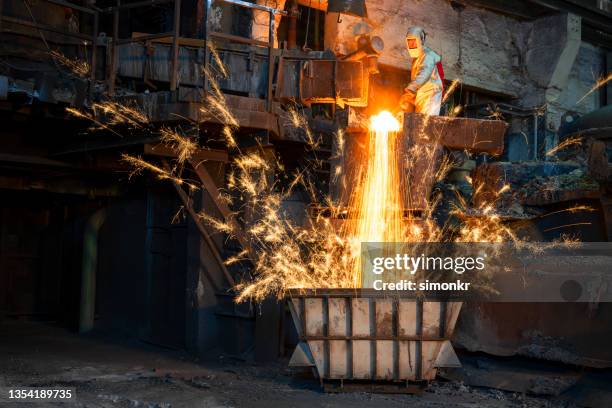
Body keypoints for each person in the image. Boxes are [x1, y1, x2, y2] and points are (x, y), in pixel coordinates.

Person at [400, 26, 444, 116]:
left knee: (426, 124)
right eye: (410, 42)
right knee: (420, 125)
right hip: (422, 97)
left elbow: (424, 73)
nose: (412, 45)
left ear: (421, 40)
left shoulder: (428, 55)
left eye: (414, 42)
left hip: (430, 95)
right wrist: (410, 98)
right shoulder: (417, 59)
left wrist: (410, 90)